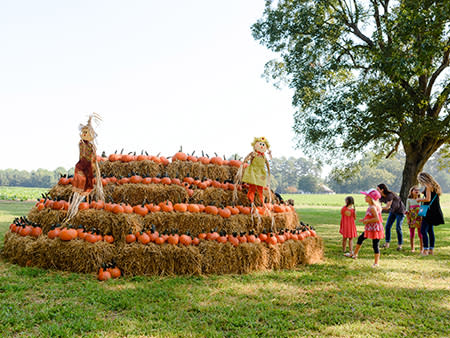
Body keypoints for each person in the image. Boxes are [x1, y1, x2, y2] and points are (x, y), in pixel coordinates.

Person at [350, 189, 384, 267]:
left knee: (375, 244)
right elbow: (371, 217)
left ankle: (376, 263)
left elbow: (377, 219)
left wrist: (367, 221)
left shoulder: (373, 207)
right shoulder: (371, 206)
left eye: (367, 196)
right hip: (370, 228)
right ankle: (355, 254)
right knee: (360, 238)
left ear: (371, 199)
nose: (365, 197)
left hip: (375, 229)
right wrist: (364, 220)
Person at [417, 172, 445, 256]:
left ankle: (425, 250)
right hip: (434, 210)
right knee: (430, 231)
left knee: (423, 230)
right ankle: (431, 250)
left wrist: (419, 200)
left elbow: (428, 199)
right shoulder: (435, 186)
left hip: (428, 212)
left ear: (423, 179)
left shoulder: (428, 186)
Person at [377, 183, 406, 250]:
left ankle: (400, 245)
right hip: (393, 212)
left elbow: (387, 207)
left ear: (382, 190)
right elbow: (378, 204)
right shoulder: (381, 197)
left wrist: (378, 208)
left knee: (398, 228)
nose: (377, 191)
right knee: (387, 227)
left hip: (400, 211)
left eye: (378, 189)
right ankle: (387, 244)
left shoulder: (390, 195)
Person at [405, 186, 423, 252]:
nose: (416, 191)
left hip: (419, 218)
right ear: (411, 192)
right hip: (412, 218)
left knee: (420, 233)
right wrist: (408, 219)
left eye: (418, 190)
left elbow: (422, 208)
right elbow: (407, 210)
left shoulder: (420, 199)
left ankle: (422, 248)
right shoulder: (409, 200)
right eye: (415, 190)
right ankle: (412, 248)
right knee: (412, 233)